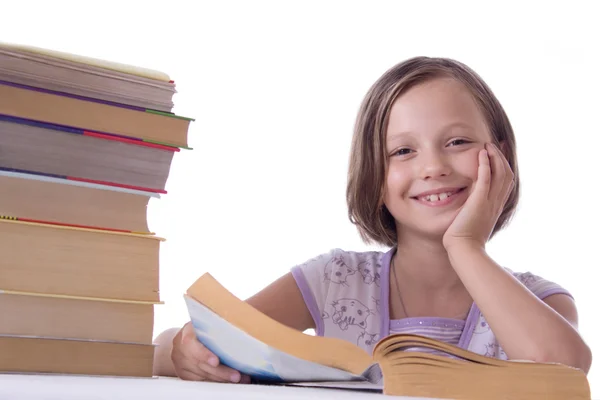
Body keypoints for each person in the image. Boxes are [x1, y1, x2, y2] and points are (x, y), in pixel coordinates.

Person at [152, 56, 592, 383]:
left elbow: (563, 371)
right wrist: (181, 350)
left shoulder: (543, 302)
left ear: (499, 157)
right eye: (403, 151)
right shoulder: (333, 280)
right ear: (374, 176)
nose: (433, 167)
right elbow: (183, 343)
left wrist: (465, 246)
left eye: (457, 141)